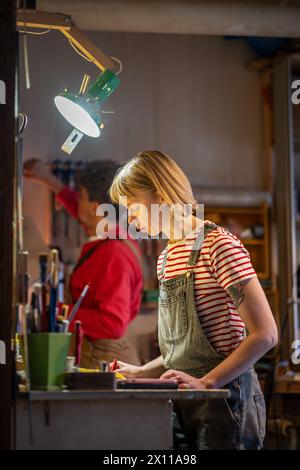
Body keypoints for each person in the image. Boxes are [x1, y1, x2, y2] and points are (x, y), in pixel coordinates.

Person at [108, 150, 278, 450]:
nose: (129, 219)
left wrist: (208, 383)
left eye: (131, 207)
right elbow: (185, 350)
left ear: (159, 193)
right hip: (185, 399)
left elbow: (266, 334)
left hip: (226, 400)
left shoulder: (217, 245)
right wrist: (141, 371)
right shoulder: (166, 257)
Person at [24, 158, 143, 367]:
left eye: (81, 198)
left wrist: (57, 312)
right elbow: (78, 208)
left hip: (105, 360)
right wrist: (48, 179)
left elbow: (113, 324)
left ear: (95, 207)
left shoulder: (114, 253)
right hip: (93, 353)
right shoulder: (109, 232)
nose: (76, 201)